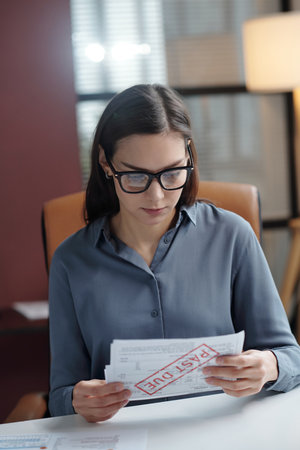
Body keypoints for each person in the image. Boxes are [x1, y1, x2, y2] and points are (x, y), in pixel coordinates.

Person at [49, 83, 300, 423]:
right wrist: (78, 401)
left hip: (225, 431)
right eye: (136, 177)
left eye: (172, 173)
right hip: (123, 437)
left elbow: (290, 359)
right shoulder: (71, 259)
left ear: (189, 158)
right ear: (106, 164)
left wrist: (268, 366)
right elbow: (61, 394)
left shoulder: (232, 236)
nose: (157, 197)